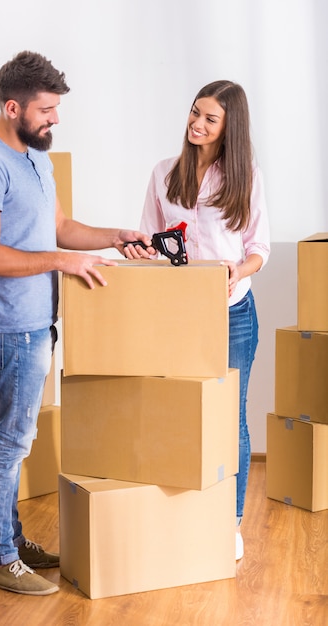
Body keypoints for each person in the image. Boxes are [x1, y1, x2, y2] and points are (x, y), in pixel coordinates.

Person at [0, 50, 154, 596]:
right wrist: (63, 262)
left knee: (18, 438)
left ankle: (12, 542)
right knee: (10, 443)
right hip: (10, 325)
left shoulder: (36, 159)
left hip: (39, 321)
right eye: (47, 110)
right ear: (13, 106)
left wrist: (116, 235)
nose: (55, 120)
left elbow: (60, 226)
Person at [139, 80, 270, 561]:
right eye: (195, 113)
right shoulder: (163, 173)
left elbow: (259, 249)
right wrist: (144, 250)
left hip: (232, 313)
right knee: (177, 410)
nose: (197, 123)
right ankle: (178, 511)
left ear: (228, 127)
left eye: (209, 118)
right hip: (177, 315)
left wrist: (238, 270)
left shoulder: (246, 177)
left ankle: (229, 521)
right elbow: (152, 242)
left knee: (229, 418)